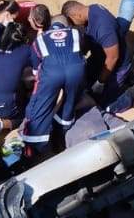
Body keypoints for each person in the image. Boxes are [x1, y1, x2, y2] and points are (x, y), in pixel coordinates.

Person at [21, 14, 87, 157]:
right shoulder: (76, 33)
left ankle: (33, 147)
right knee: (69, 102)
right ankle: (60, 135)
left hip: (51, 72)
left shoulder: (40, 39)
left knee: (41, 105)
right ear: (66, 25)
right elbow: (80, 50)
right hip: (76, 70)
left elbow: (35, 67)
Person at [62, 0, 127, 108]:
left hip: (116, 66)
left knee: (103, 105)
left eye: (72, 22)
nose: (73, 25)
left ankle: (133, 94)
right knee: (83, 83)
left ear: (77, 15)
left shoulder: (103, 27)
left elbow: (113, 57)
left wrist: (100, 82)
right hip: (98, 57)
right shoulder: (91, 10)